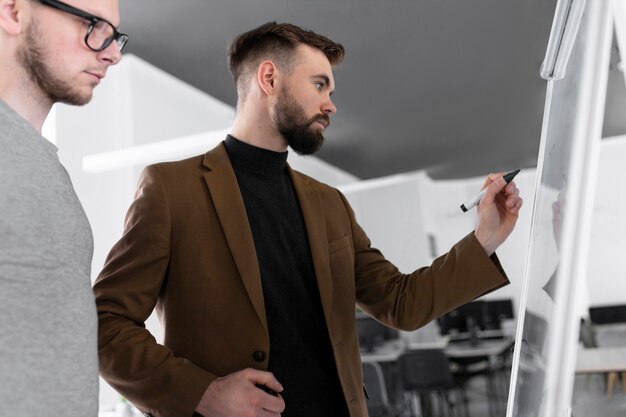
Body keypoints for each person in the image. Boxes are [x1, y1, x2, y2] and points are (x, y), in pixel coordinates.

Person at [94, 21, 522, 417]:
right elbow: (105, 323)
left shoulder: (330, 203)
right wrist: (204, 392)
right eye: (320, 85)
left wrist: (483, 238)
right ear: (269, 79)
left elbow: (399, 302)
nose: (331, 105)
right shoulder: (172, 188)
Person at [0, 0, 127, 415]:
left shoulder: (50, 170)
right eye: (93, 25)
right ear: (14, 12)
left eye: (114, 34)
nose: (112, 52)